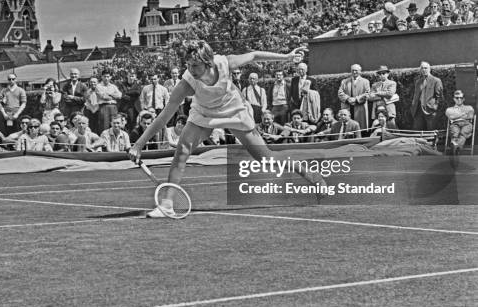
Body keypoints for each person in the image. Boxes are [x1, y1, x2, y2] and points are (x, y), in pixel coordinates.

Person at [128, 40, 325, 218]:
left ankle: (312, 176)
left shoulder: (225, 63)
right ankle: (167, 204)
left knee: (267, 159)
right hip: (203, 114)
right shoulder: (187, 83)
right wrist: (138, 144)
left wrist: (288, 57)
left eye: (195, 65)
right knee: (182, 151)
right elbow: (164, 116)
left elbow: (254, 55)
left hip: (234, 110)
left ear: (208, 63)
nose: (190, 69)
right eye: (188, 65)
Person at [411, 61, 443, 131]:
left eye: (425, 68)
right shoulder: (418, 82)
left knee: (431, 131)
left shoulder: (436, 80)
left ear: (429, 69)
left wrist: (435, 107)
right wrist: (413, 105)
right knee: (417, 130)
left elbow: (439, 96)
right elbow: (415, 95)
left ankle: (433, 142)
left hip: (430, 110)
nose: (424, 70)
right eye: (422, 68)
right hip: (418, 110)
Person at [337, 64, 370, 132]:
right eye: (353, 70)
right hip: (347, 107)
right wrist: (348, 99)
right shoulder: (344, 81)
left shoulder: (365, 82)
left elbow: (367, 93)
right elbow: (340, 93)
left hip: (360, 108)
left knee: (361, 129)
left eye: (356, 70)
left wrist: (356, 99)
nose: (354, 72)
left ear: (360, 71)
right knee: (347, 128)